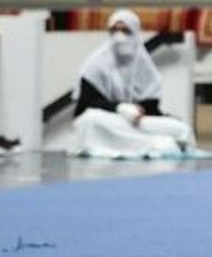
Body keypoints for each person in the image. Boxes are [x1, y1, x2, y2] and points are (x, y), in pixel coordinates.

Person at [72, 9, 195, 158]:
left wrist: (147, 115)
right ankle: (155, 144)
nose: (119, 37)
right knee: (90, 120)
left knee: (181, 129)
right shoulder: (94, 65)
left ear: (135, 33)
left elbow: (151, 109)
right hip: (109, 121)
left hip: (136, 124)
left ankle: (153, 143)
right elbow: (84, 107)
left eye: (125, 31)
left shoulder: (145, 67)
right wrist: (120, 108)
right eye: (114, 30)